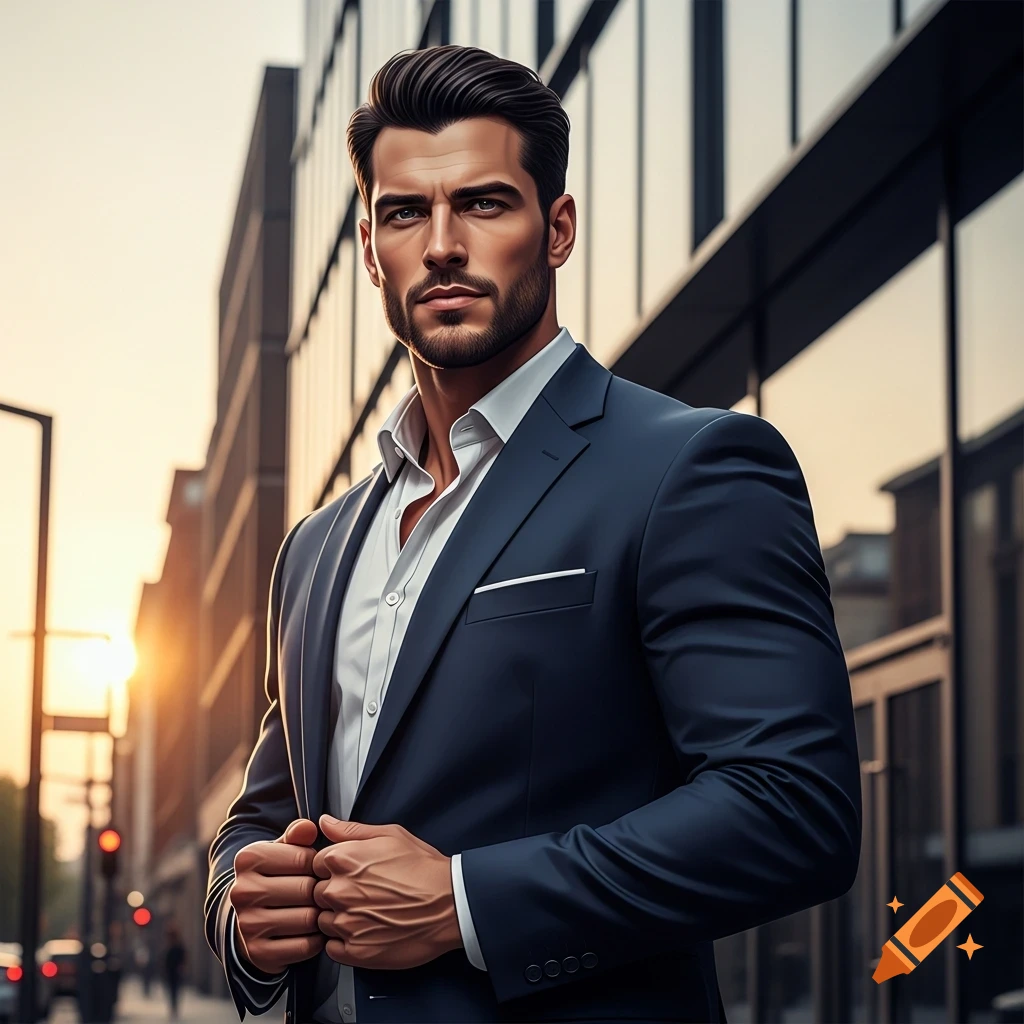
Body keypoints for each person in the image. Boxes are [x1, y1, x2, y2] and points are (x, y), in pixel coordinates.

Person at [204, 44, 861, 1024]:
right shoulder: (316, 547)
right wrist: (241, 911)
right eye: (404, 213)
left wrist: (465, 902)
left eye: (482, 203)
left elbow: (790, 807)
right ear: (371, 247)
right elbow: (263, 814)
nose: (441, 245)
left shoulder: (690, 468)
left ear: (556, 230)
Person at [163, 925, 185, 1019]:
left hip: (175, 973)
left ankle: (174, 1009)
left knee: (175, 992)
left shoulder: (178, 947)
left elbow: (182, 959)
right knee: (172, 992)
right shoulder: (169, 947)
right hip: (170, 972)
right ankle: (173, 1009)